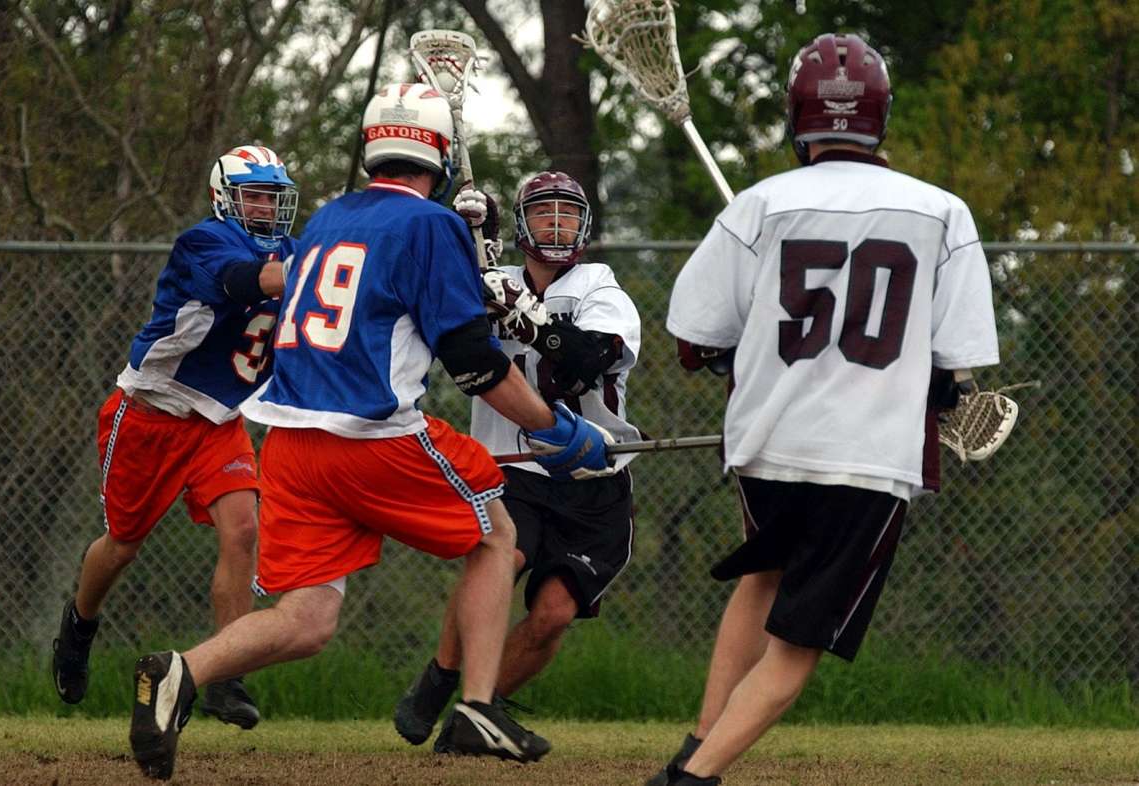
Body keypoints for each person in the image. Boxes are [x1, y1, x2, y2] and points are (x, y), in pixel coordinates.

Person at [125, 83, 615, 781]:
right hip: (370, 435)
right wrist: (556, 426)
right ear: (438, 153)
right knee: (496, 535)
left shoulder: (329, 216)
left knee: (307, 619)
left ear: (372, 149)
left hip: (288, 443)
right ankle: (477, 706)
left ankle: (180, 671)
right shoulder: (432, 225)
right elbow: (473, 364)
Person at [648, 33, 1000, 786]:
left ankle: (695, 741)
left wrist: (746, 353)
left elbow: (694, 339)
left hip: (769, 445)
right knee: (797, 644)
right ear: (882, 117)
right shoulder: (943, 212)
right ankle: (692, 777)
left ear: (796, 115)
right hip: (866, 458)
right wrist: (942, 393)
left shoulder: (761, 203)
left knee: (764, 577)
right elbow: (954, 362)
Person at [392, 171, 643, 752]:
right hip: (511, 467)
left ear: (584, 225)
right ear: (523, 226)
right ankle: (441, 675)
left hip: (593, 474)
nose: (555, 225)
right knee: (498, 562)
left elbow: (585, 362)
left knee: (553, 614)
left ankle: (475, 716)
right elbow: (437, 316)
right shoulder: (490, 281)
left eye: (567, 214)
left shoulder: (601, 289)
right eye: (543, 213)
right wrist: (464, 233)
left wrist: (528, 320)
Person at [51, 145, 298, 730]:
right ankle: (80, 625)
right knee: (123, 544)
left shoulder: (292, 252)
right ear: (225, 198)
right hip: (150, 414)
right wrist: (324, 265)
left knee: (243, 530)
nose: (265, 208)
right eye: (254, 196)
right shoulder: (204, 241)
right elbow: (247, 281)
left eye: (272, 197)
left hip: (218, 421)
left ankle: (226, 676)